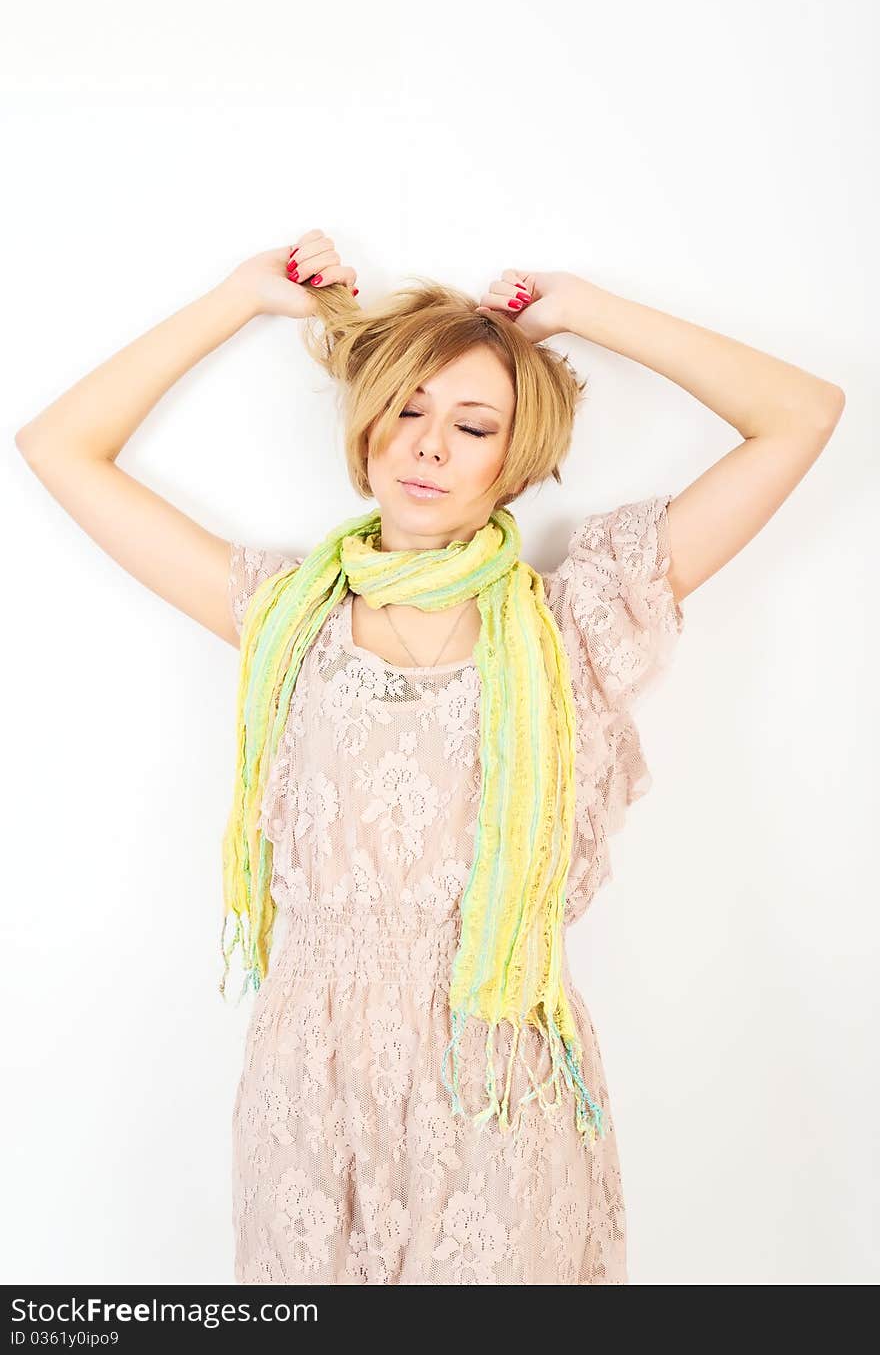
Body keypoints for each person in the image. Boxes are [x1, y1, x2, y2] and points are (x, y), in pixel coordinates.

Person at [14, 229, 845, 1285]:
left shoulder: (573, 622)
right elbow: (57, 447)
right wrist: (235, 298)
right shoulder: (287, 617)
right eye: (405, 409)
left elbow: (802, 415)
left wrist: (584, 309)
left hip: (497, 1066)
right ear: (365, 429)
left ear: (516, 458)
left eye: (472, 424)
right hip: (306, 1078)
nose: (426, 446)